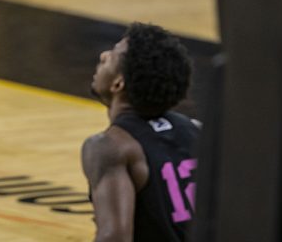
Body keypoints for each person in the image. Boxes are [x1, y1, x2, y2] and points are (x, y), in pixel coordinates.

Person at [82, 22, 200, 242]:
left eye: (113, 56)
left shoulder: (111, 147)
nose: (103, 55)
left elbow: (115, 238)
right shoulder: (197, 129)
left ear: (118, 84)